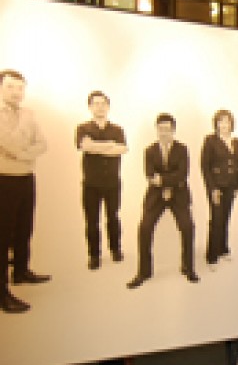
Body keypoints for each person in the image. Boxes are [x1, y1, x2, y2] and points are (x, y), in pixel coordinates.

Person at [127, 113, 199, 289]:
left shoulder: (182, 149)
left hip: (179, 195)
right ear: (156, 130)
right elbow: (150, 175)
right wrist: (166, 182)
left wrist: (165, 182)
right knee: (144, 228)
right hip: (155, 196)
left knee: (188, 227)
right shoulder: (149, 150)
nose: (164, 132)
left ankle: (188, 267)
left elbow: (183, 174)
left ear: (173, 130)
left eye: (167, 129)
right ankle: (144, 272)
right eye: (160, 129)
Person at [0, 69, 49, 314]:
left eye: (20, 87)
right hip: (3, 180)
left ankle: (21, 271)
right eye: (10, 86)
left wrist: (20, 155)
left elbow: (43, 144)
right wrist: (23, 151)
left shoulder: (29, 114)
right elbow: (8, 141)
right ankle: (2, 293)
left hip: (26, 178)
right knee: (2, 236)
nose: (17, 92)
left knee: (24, 228)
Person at [76, 91, 128, 270]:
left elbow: (122, 149)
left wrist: (96, 147)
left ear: (108, 106)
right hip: (91, 183)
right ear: (90, 107)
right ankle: (94, 255)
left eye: (103, 103)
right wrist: (110, 146)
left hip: (113, 182)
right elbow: (84, 146)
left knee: (113, 217)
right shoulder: (83, 128)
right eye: (95, 103)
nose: (99, 107)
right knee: (92, 221)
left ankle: (115, 249)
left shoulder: (117, 129)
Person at [201, 109, 238, 267]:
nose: (224, 125)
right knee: (216, 219)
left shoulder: (236, 141)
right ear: (216, 124)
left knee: (226, 217)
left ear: (231, 123)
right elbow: (205, 166)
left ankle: (223, 249)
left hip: (231, 186)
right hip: (216, 186)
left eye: (227, 121)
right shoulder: (210, 140)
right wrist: (212, 188)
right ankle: (211, 256)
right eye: (221, 121)